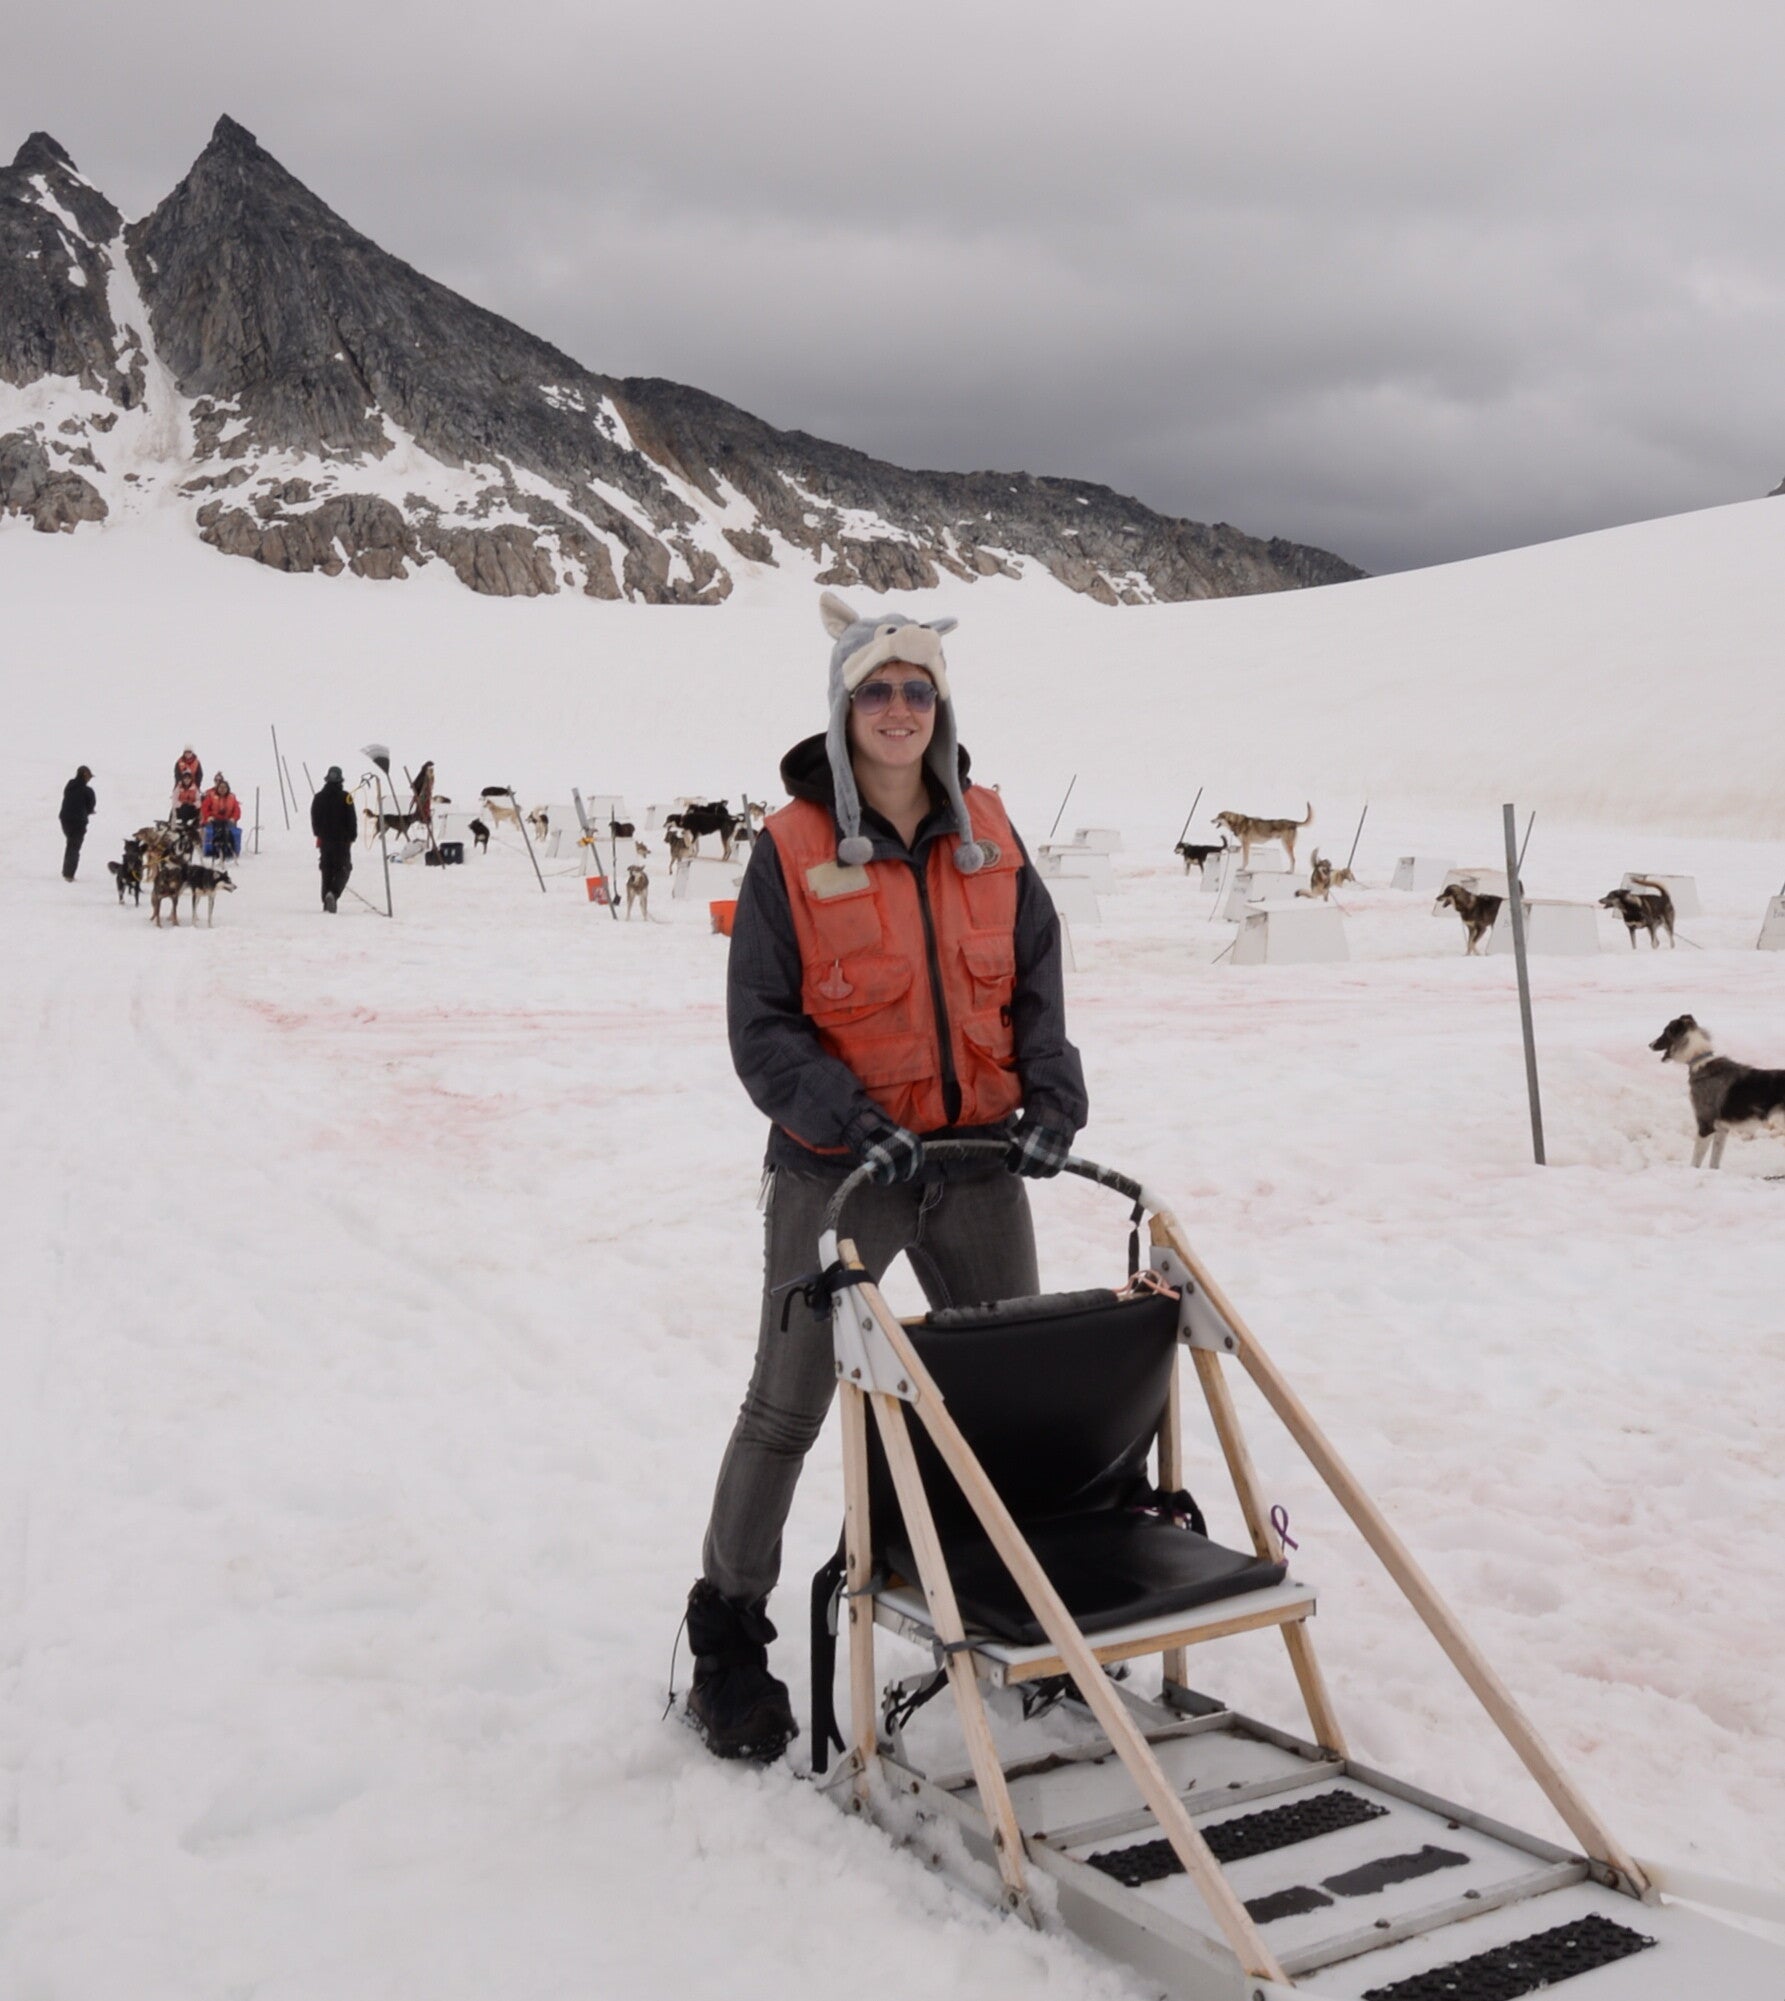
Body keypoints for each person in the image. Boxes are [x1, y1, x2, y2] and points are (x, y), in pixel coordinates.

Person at [684, 592, 1088, 1762]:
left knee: (1010, 1401)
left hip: (977, 1167)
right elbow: (762, 1026)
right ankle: (727, 1637)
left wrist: (1053, 1100)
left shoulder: (992, 835)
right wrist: (851, 1121)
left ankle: (1017, 1610)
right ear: (845, 705)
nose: (900, 709)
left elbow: (1037, 990)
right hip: (840, 1176)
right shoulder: (792, 847)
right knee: (788, 1404)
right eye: (878, 689)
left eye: (918, 690)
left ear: (940, 704)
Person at [310, 766, 357, 911]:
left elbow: (314, 819)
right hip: (342, 841)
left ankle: (326, 900)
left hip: (325, 841)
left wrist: (319, 834)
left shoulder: (318, 797)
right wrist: (352, 836)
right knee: (344, 869)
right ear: (340, 780)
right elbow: (352, 819)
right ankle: (333, 894)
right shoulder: (346, 797)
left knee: (327, 870)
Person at [59, 766, 96, 881]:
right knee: (74, 847)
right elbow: (91, 806)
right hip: (78, 821)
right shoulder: (88, 791)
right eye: (89, 776)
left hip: (64, 819)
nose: (90, 779)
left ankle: (66, 871)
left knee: (71, 844)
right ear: (85, 775)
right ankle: (68, 874)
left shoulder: (69, 786)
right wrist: (89, 811)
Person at [200, 775, 242, 859]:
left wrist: (234, 818)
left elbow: (237, 810)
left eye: (224, 788)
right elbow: (204, 808)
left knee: (228, 832)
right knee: (215, 832)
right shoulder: (211, 796)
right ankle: (213, 850)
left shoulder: (232, 797)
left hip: (227, 820)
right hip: (213, 820)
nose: (222, 789)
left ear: (227, 788)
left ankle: (229, 850)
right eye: (220, 787)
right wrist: (208, 817)